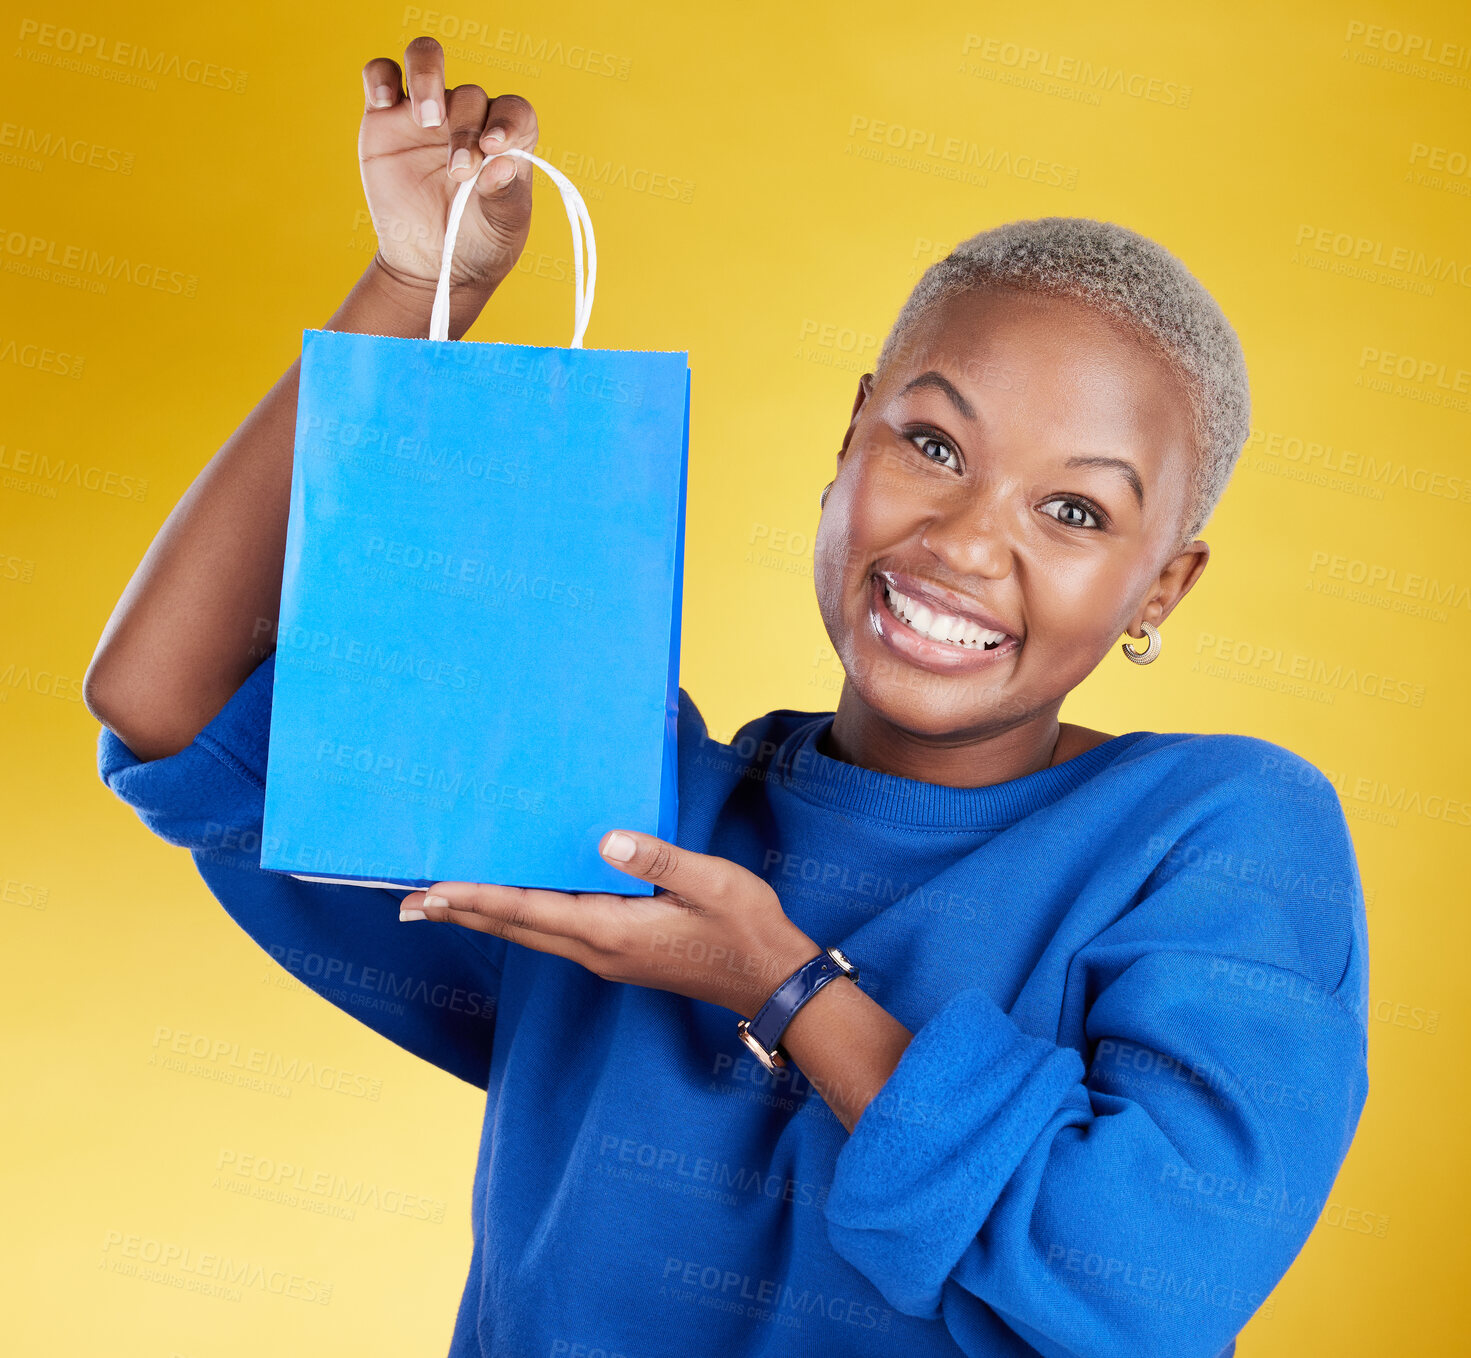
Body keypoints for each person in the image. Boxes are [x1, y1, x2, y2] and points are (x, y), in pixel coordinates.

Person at [85, 34, 1369, 1358]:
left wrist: (780, 981)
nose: (968, 542)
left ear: (1163, 589)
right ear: (849, 435)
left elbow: (1139, 1284)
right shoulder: (622, 800)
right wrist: (423, 284)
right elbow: (171, 696)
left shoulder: (1216, 835)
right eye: (933, 443)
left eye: (1076, 509)